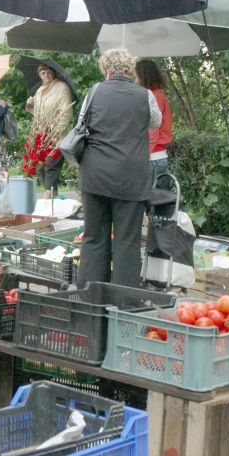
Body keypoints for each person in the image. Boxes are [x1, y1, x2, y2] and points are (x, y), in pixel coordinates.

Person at [76, 48, 162, 289]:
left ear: (108, 70)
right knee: (127, 242)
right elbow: (155, 122)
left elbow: (82, 122)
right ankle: (123, 304)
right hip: (131, 178)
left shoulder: (94, 92)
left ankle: (89, 300)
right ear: (130, 71)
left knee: (94, 238)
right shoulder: (145, 96)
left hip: (94, 177)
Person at [25, 63, 73, 198]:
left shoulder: (62, 88)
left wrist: (54, 133)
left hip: (56, 138)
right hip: (41, 137)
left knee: (51, 167)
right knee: (43, 170)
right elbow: (38, 114)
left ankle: (45, 202)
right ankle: (54, 200)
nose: (46, 75)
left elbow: (66, 113)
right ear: (39, 74)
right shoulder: (40, 90)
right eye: (43, 73)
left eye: (48, 72)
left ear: (54, 73)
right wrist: (30, 106)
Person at [135, 59, 172, 178]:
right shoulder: (157, 94)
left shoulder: (155, 97)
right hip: (155, 157)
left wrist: (142, 157)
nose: (135, 81)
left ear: (143, 76)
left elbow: (153, 131)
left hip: (153, 158)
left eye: (136, 77)